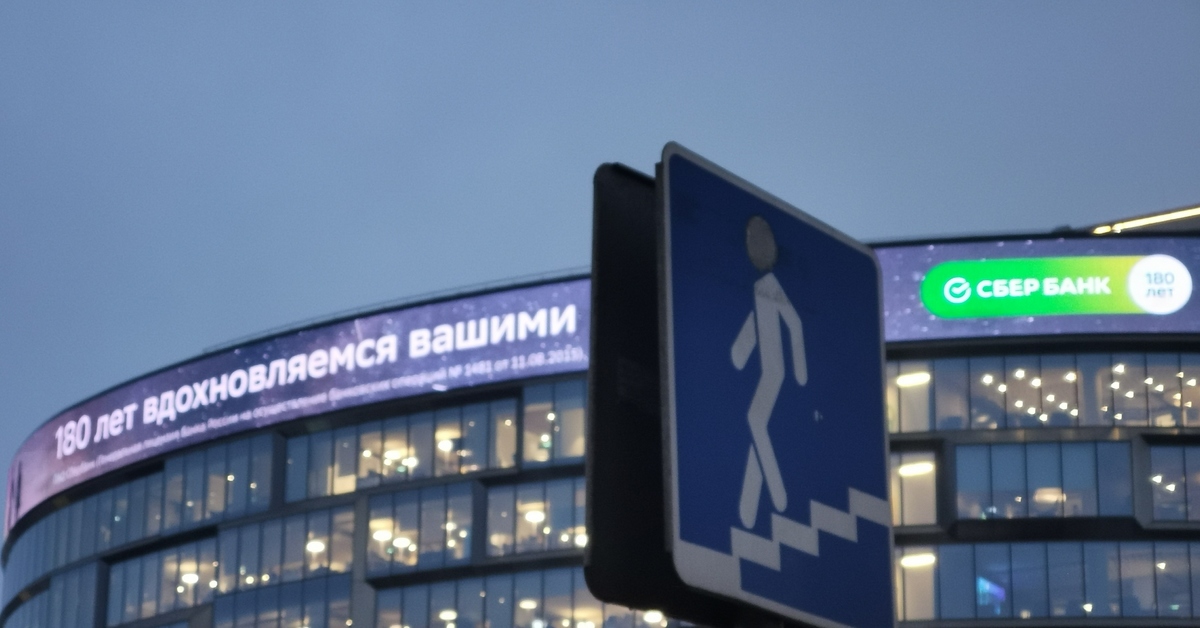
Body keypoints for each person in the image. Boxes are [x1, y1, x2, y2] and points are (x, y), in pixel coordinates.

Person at [731, 216, 807, 529]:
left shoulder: (774, 288)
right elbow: (755, 325)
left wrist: (801, 371)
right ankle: (749, 508)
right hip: (768, 372)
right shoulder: (760, 289)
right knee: (759, 426)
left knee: (754, 420)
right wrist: (739, 353)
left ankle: (778, 496)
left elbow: (795, 324)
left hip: (775, 373)